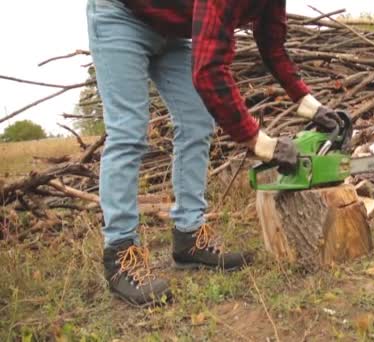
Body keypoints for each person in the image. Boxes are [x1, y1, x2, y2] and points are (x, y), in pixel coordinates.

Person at [87, 0, 341, 307]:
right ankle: (120, 254)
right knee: (128, 132)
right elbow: (209, 72)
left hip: (172, 31)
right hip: (121, 16)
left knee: (196, 121)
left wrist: (308, 102)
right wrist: (262, 144)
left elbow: (272, 44)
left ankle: (189, 237)